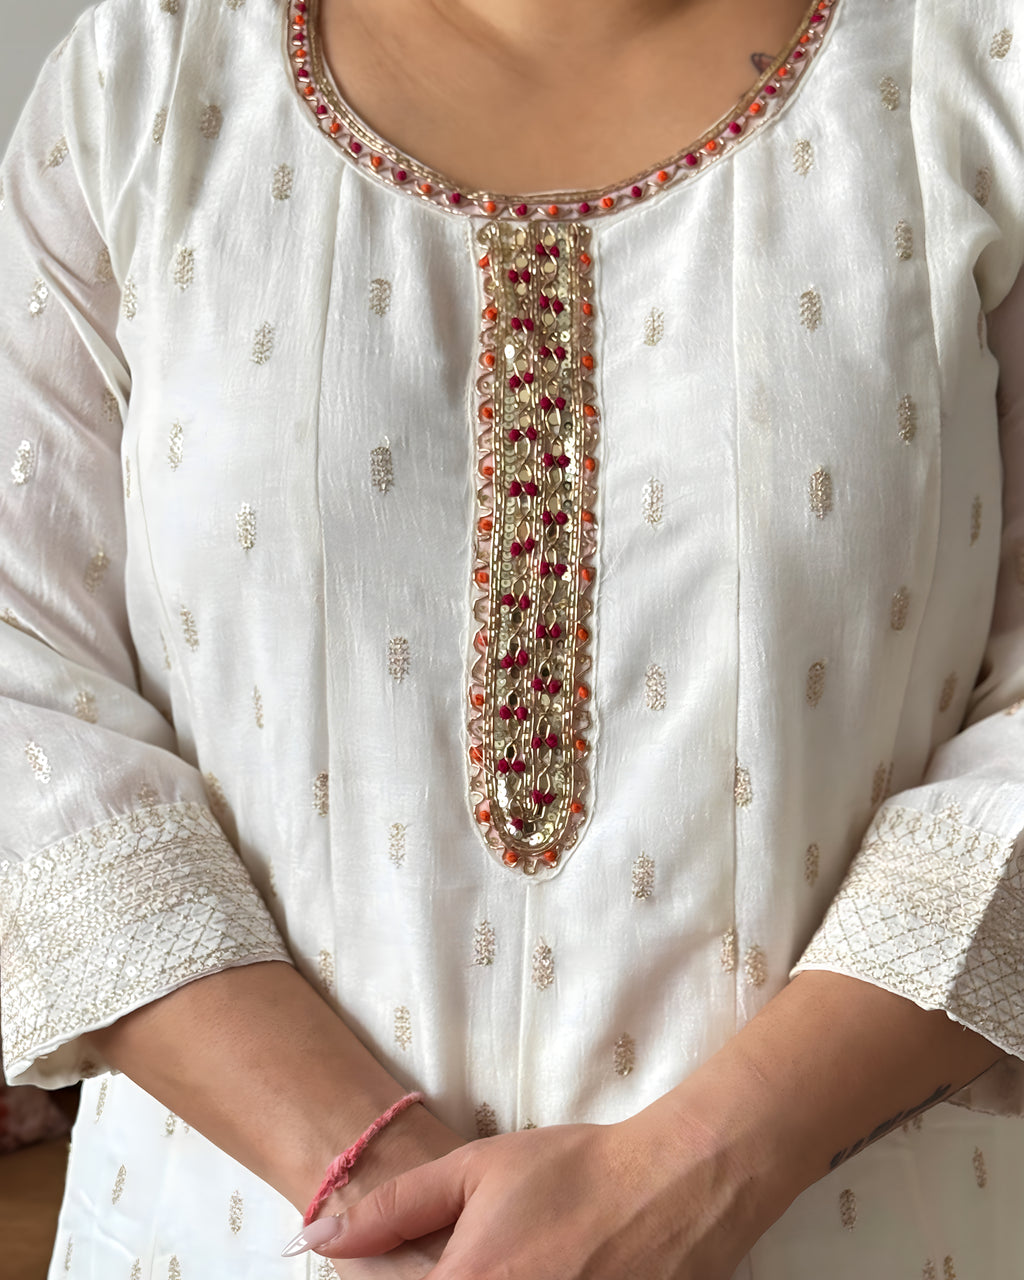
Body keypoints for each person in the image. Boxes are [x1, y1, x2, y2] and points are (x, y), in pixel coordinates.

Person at [2, 0, 1023, 1275]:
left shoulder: (976, 68)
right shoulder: (141, 86)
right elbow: (24, 687)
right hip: (239, 1232)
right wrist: (376, 1181)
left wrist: (703, 1163)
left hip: (838, 1225)